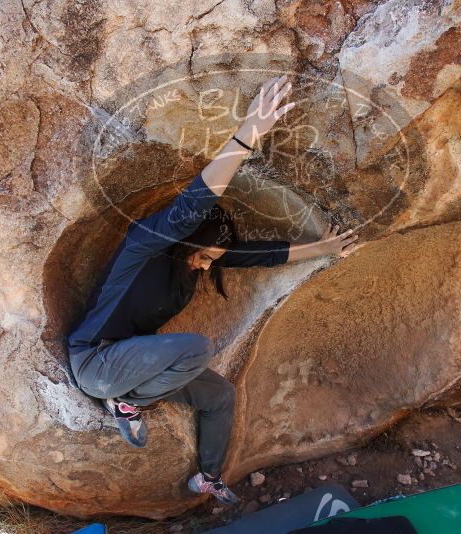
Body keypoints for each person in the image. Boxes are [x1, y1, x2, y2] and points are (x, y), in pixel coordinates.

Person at [65, 75, 361, 505]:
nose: (206, 264)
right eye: (203, 254)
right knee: (196, 348)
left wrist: (325, 248)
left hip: (137, 366)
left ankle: (208, 476)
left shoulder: (201, 263)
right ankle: (125, 405)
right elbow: (193, 205)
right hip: (96, 362)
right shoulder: (145, 245)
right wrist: (247, 134)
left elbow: (263, 254)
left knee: (219, 394)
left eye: (212, 259)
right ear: (186, 240)